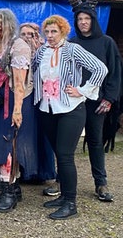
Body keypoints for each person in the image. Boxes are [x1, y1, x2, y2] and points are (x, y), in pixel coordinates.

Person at [33, 15, 107, 220]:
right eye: (47, 32)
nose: (50, 35)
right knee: (59, 152)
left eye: (54, 31)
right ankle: (63, 195)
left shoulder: (72, 49)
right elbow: (33, 72)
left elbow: (100, 68)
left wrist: (83, 91)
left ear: (63, 32)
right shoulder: (41, 52)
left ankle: (70, 202)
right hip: (47, 109)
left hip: (70, 109)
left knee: (65, 155)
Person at [69, 0, 122, 204]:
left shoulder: (107, 42)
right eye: (79, 19)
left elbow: (115, 72)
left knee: (95, 141)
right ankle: (62, 181)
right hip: (74, 100)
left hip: (97, 101)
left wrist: (108, 99)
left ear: (93, 20)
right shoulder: (71, 43)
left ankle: (101, 183)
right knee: (68, 142)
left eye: (86, 18)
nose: (83, 22)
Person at [0, 9, 32, 213]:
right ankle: (13, 187)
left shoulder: (18, 45)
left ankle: (8, 191)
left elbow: (20, 82)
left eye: (2, 22)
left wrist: (17, 110)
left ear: (10, 23)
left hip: (10, 100)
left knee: (8, 143)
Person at [19, 22, 57, 185]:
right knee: (26, 134)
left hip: (42, 97)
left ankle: (44, 172)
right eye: (24, 34)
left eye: (31, 34)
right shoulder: (16, 50)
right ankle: (25, 171)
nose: (27, 37)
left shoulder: (43, 50)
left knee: (42, 136)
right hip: (25, 96)